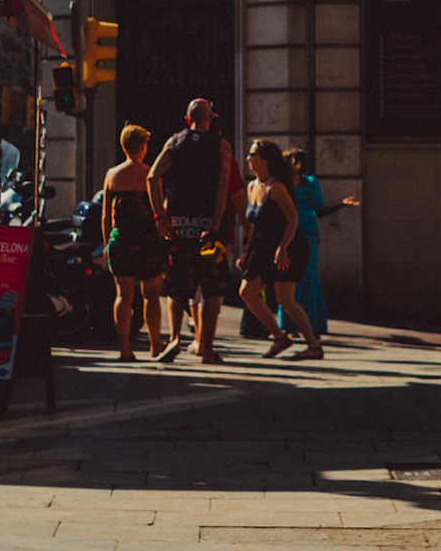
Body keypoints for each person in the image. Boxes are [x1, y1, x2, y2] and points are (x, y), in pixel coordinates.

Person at [148, 98, 236, 364]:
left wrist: (160, 217)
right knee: (211, 290)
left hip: (178, 226)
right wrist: (215, 224)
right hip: (207, 228)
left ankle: (175, 338)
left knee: (176, 287)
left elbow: (152, 176)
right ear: (210, 119)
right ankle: (206, 348)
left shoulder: (175, 142)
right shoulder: (220, 145)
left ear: (188, 119)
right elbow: (222, 186)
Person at [237, 139, 325, 359]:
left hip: (289, 247)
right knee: (247, 292)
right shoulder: (252, 186)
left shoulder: (276, 187)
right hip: (264, 249)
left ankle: (313, 346)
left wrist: (283, 247)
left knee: (284, 298)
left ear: (265, 159)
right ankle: (279, 337)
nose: (249, 158)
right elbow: (254, 226)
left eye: (253, 154)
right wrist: (247, 251)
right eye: (249, 154)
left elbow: (293, 219)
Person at [278, 147, 359, 337]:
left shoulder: (298, 183)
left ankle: (301, 326)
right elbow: (319, 210)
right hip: (298, 233)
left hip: (300, 233)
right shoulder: (294, 184)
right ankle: (301, 325)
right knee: (298, 278)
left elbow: (319, 209)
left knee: (299, 278)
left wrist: (342, 204)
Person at [102, 123, 165, 361]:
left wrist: (106, 243)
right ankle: (155, 344)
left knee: (123, 296)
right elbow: (158, 210)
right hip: (147, 239)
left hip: (121, 239)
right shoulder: (151, 174)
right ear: (143, 146)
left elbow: (106, 215)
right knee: (151, 295)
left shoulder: (112, 174)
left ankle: (124, 349)